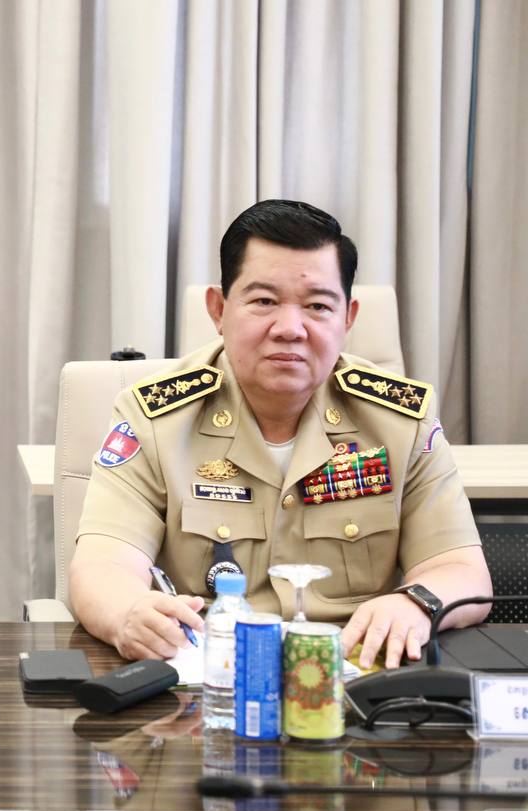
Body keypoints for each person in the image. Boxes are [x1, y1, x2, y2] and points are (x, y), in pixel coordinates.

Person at [70, 199, 490, 669]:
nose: (290, 329)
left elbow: (461, 569)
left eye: (317, 306)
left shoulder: (401, 421)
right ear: (219, 309)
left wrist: (416, 603)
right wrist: (129, 612)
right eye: (264, 302)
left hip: (355, 676)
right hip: (207, 677)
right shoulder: (155, 419)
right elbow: (103, 564)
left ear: (348, 318)